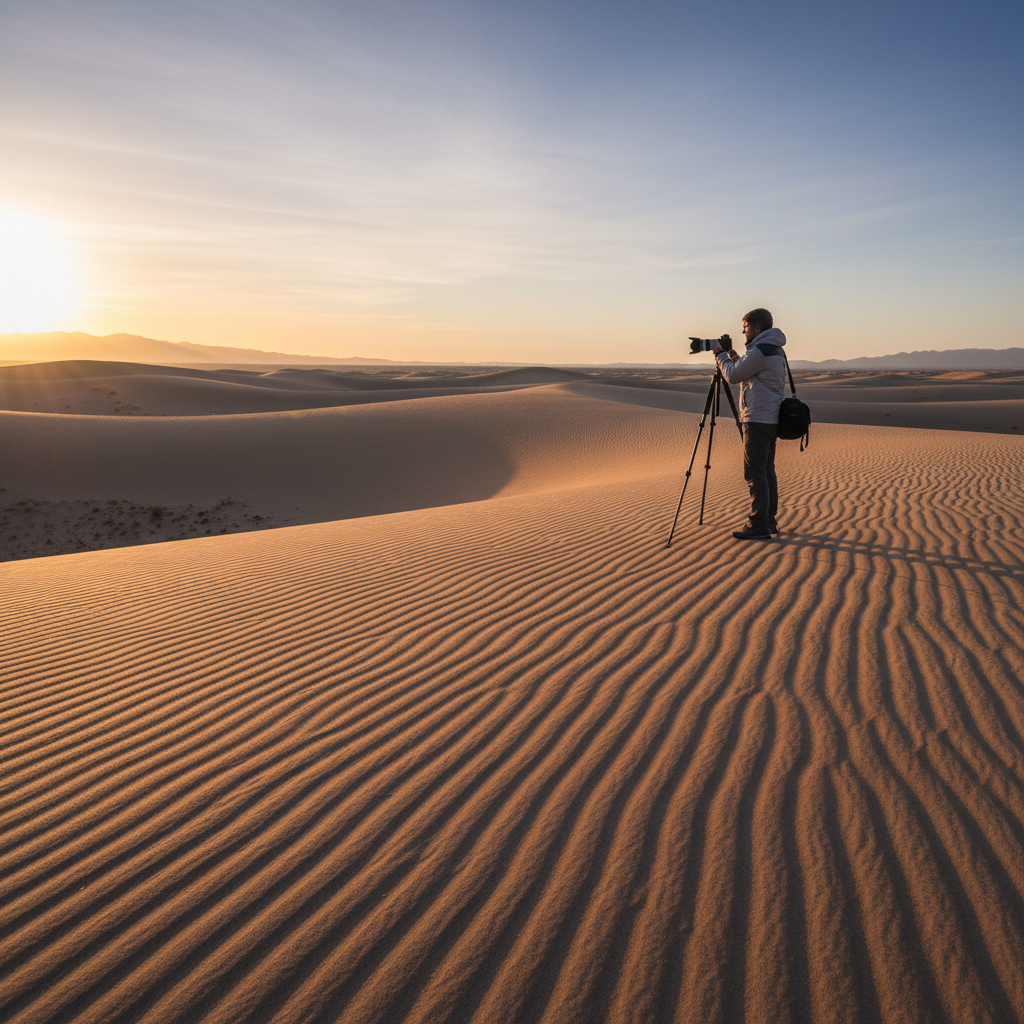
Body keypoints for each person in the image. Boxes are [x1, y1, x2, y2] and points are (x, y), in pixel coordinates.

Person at [710, 308, 787, 540]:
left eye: (745, 327)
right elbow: (748, 372)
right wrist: (733, 355)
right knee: (766, 471)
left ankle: (758, 524)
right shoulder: (773, 348)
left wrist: (719, 354)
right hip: (769, 418)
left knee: (755, 473)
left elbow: (733, 376)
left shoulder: (761, 351)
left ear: (756, 327)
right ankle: (768, 520)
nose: (743, 332)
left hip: (757, 419)